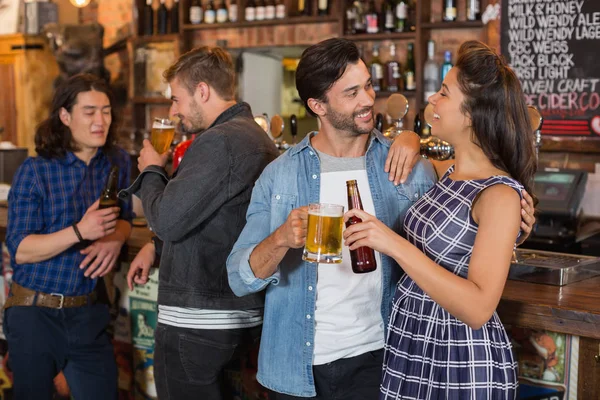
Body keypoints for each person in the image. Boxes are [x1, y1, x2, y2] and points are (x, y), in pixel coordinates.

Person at [343, 40, 537, 399]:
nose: (432, 99)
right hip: (414, 339)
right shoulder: (448, 173)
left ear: (472, 114)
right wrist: (409, 136)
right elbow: (414, 153)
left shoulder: (499, 195)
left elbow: (479, 309)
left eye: (444, 93)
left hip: (459, 356)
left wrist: (391, 243)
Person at [121, 46, 280, 400]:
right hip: (230, 317)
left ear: (203, 91)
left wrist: (150, 169)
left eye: (176, 99)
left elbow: (168, 219)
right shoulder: (253, 136)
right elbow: (217, 218)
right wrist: (154, 247)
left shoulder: (220, 141)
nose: (173, 111)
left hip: (199, 320)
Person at [4, 73, 132, 400]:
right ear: (65, 115)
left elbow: (128, 216)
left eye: (105, 111)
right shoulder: (36, 170)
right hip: (35, 313)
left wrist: (116, 236)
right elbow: (20, 249)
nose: (100, 121)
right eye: (89, 112)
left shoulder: (116, 162)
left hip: (88, 314)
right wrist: (80, 231)